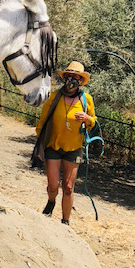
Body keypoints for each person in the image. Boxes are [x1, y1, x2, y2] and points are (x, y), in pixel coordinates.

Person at [35, 61, 97, 225]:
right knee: (53, 185)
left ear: (81, 80)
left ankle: (65, 222)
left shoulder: (86, 99)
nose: (72, 79)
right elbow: (42, 121)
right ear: (65, 78)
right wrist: (41, 139)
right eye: (69, 76)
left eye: (76, 77)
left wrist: (88, 119)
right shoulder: (54, 96)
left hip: (74, 148)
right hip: (53, 146)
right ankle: (51, 201)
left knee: (68, 187)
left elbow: (94, 122)